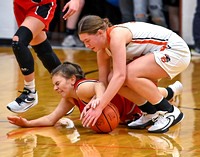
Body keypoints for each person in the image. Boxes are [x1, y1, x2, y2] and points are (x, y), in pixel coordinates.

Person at [78, 15, 191, 133]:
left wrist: (100, 107)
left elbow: (120, 76)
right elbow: (103, 82)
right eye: (83, 42)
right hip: (157, 54)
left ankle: (169, 111)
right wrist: (97, 100)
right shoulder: (102, 51)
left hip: (175, 51)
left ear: (100, 33)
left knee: (126, 75)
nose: (86, 45)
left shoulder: (116, 36)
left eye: (87, 40)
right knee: (112, 78)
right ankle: (150, 112)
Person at [7, 62, 181, 128]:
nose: (55, 88)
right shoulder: (70, 97)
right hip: (126, 112)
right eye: (54, 85)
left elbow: (98, 85)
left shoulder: (82, 88)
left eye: (58, 84)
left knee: (154, 95)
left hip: (131, 99)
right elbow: (52, 118)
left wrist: (98, 100)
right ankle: (171, 92)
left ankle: (171, 90)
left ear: (72, 79)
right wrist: (27, 123)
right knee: (152, 99)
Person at [6, 0, 80, 113]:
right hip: (21, 5)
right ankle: (70, 95)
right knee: (43, 50)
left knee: (18, 42)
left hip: (41, 5)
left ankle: (29, 93)